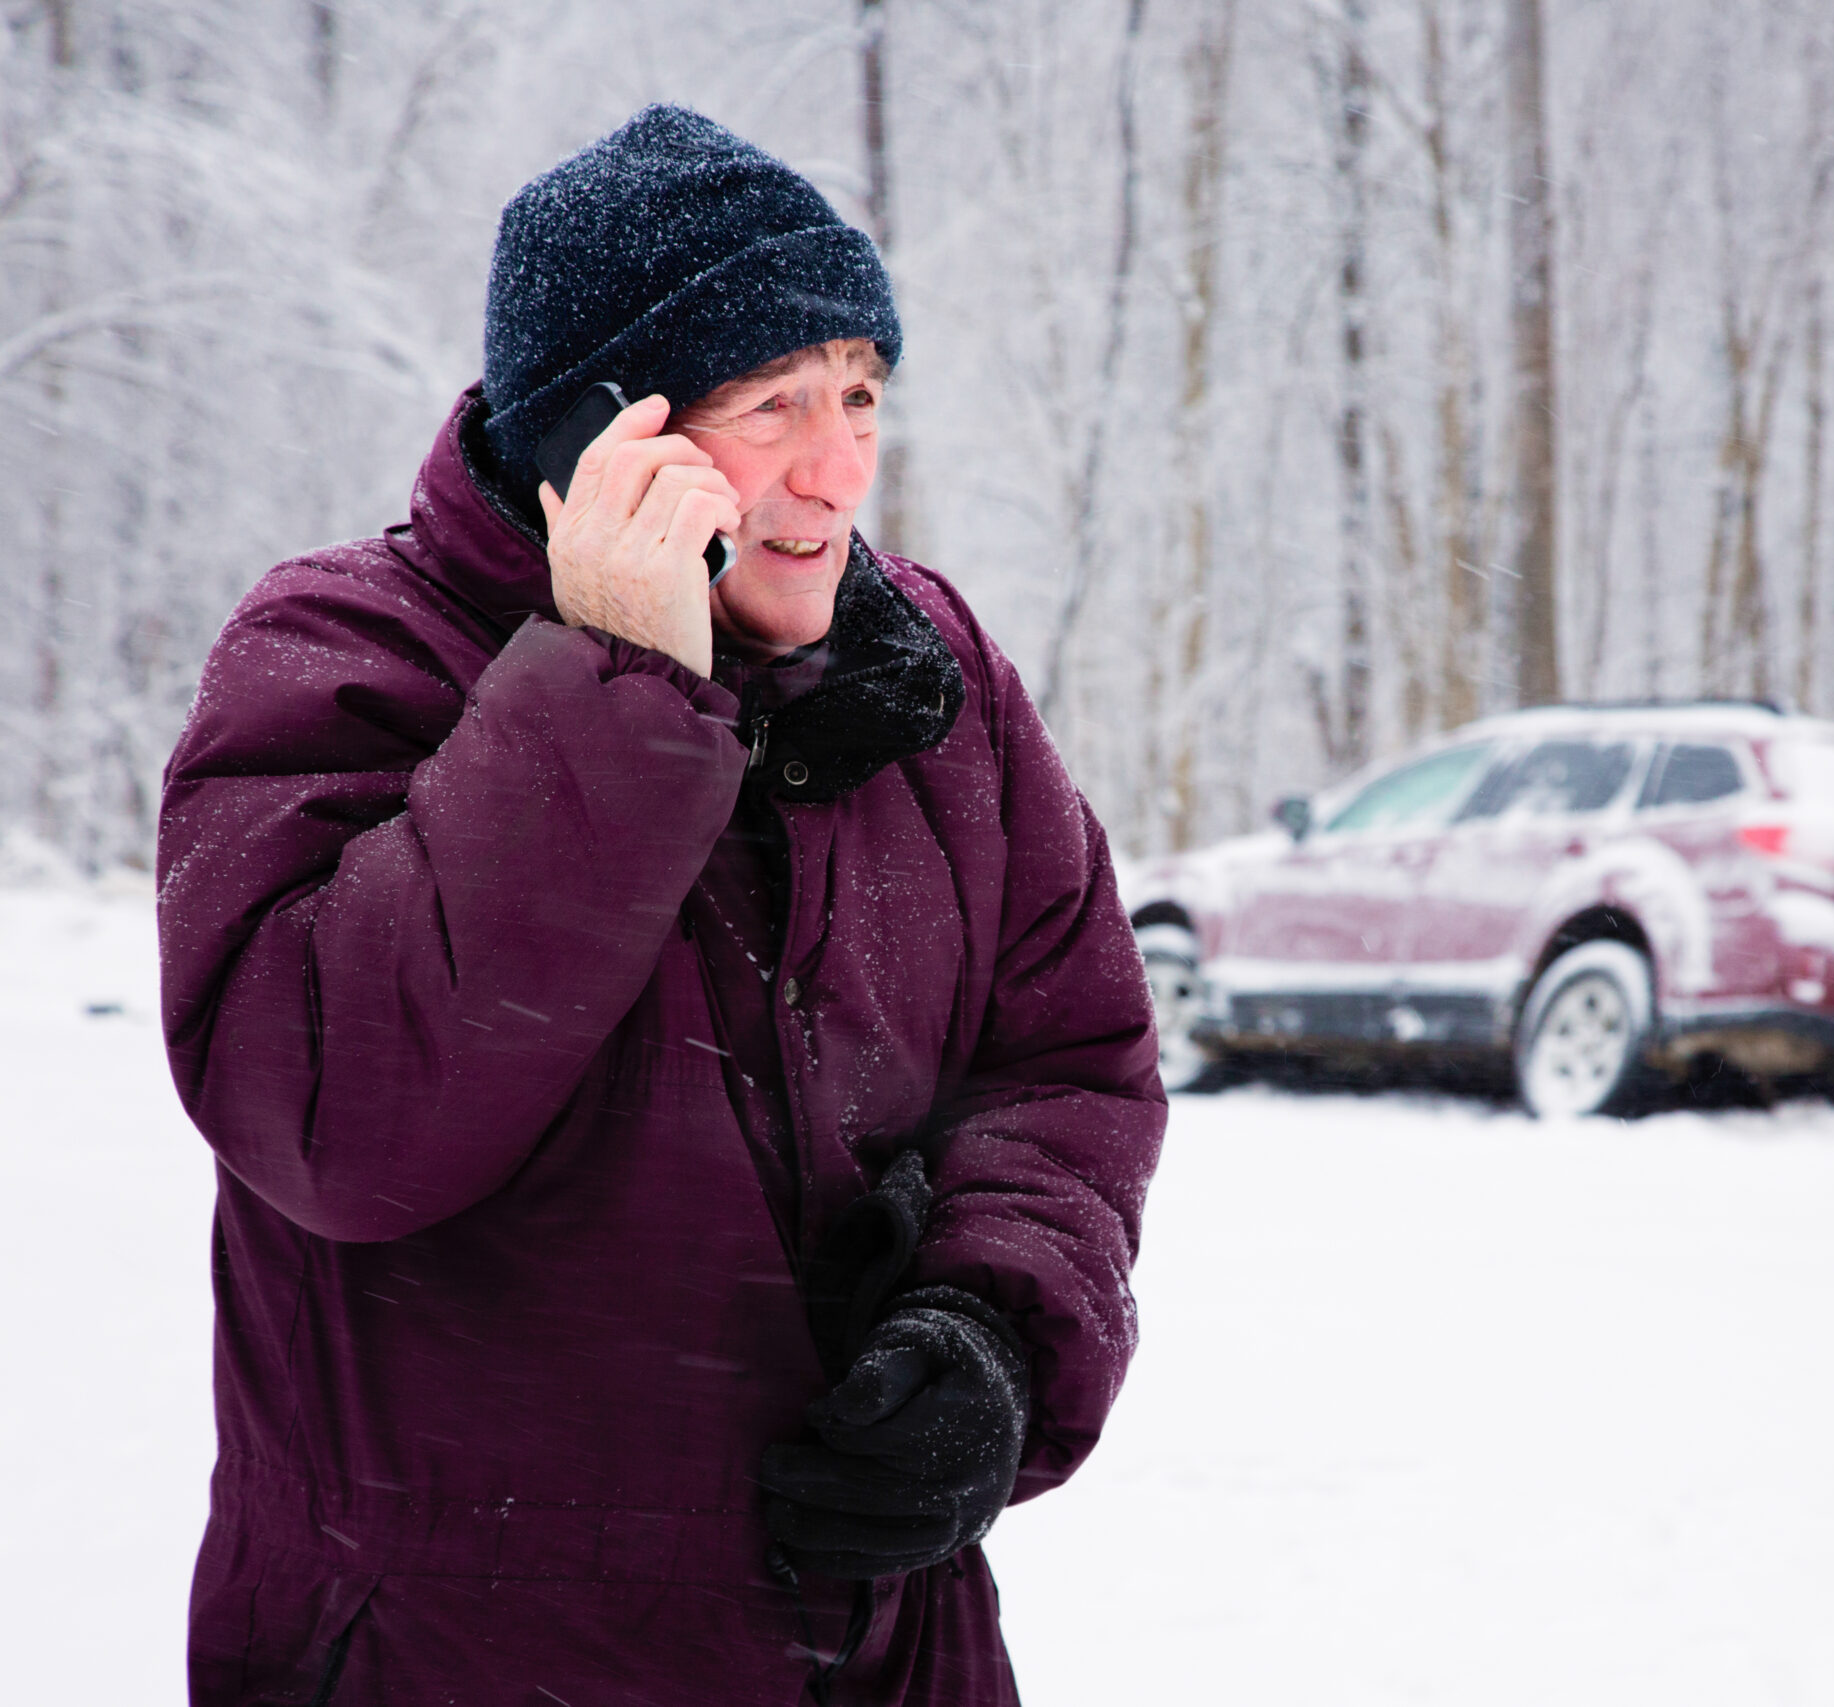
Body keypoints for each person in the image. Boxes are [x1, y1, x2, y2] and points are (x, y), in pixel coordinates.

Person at [156, 104, 1165, 1705]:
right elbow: (336, 1124)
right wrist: (616, 676)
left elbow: (1068, 1061)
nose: (841, 470)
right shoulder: (340, 658)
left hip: (880, 1653)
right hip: (457, 1653)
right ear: (596, 442)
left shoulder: (933, 681)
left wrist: (996, 1331)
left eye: (859, 395)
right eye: (771, 406)